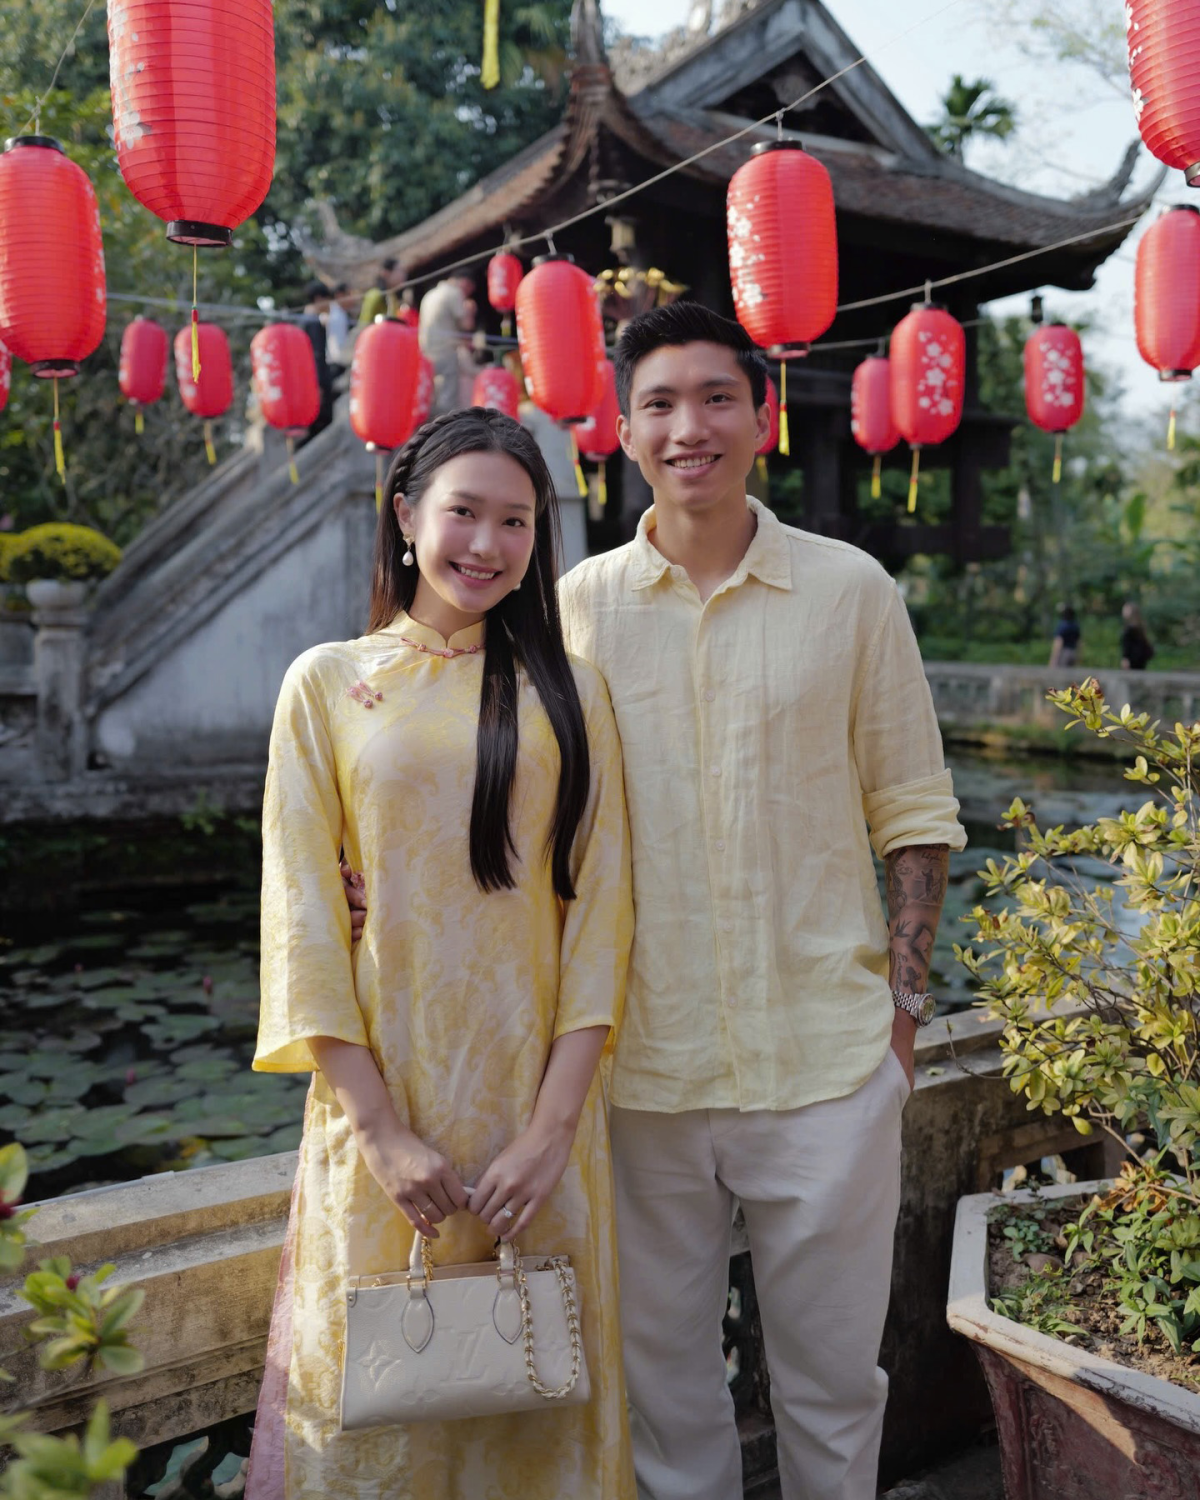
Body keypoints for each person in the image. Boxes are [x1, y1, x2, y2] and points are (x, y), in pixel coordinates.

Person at [345, 302, 965, 1500]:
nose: (692, 428)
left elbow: (915, 812)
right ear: (623, 434)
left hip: (825, 1065)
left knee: (836, 1387)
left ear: (762, 417)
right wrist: (372, 871)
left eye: (717, 398)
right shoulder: (573, 609)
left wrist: (898, 1019)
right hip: (633, 1077)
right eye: (661, 406)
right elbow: (471, 764)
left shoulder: (851, 593)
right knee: (665, 1394)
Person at [246, 407, 635, 1500]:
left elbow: (602, 914)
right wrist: (379, 1132)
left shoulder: (573, 693)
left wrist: (552, 1132)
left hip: (536, 1126)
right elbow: (300, 917)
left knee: (539, 1412)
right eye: (465, 512)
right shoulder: (326, 683)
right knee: (373, 1430)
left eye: (517, 521)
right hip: (385, 1119)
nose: (488, 544)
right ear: (407, 515)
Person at [419, 275, 477, 416]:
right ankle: (446, 422)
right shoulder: (454, 293)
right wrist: (470, 311)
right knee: (448, 394)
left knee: (431, 393)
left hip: (426, 349)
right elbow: (465, 324)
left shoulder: (429, 294)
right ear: (465, 283)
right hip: (445, 349)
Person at [357, 256, 407, 326]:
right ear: (386, 273)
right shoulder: (375, 296)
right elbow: (364, 325)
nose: (403, 275)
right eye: (399, 271)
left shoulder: (392, 297)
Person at [1120, 600, 1154, 670]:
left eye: (1126, 609)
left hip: (1133, 662)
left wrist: (1125, 658)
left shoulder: (1131, 629)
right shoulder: (1140, 627)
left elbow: (1128, 646)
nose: (1123, 611)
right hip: (1140, 661)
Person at [1049, 603, 1080, 668]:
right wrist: (1078, 657)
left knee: (1062, 673)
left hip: (1064, 653)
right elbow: (1079, 642)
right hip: (1073, 653)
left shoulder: (1062, 626)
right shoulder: (1075, 626)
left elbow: (1058, 642)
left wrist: (1053, 660)